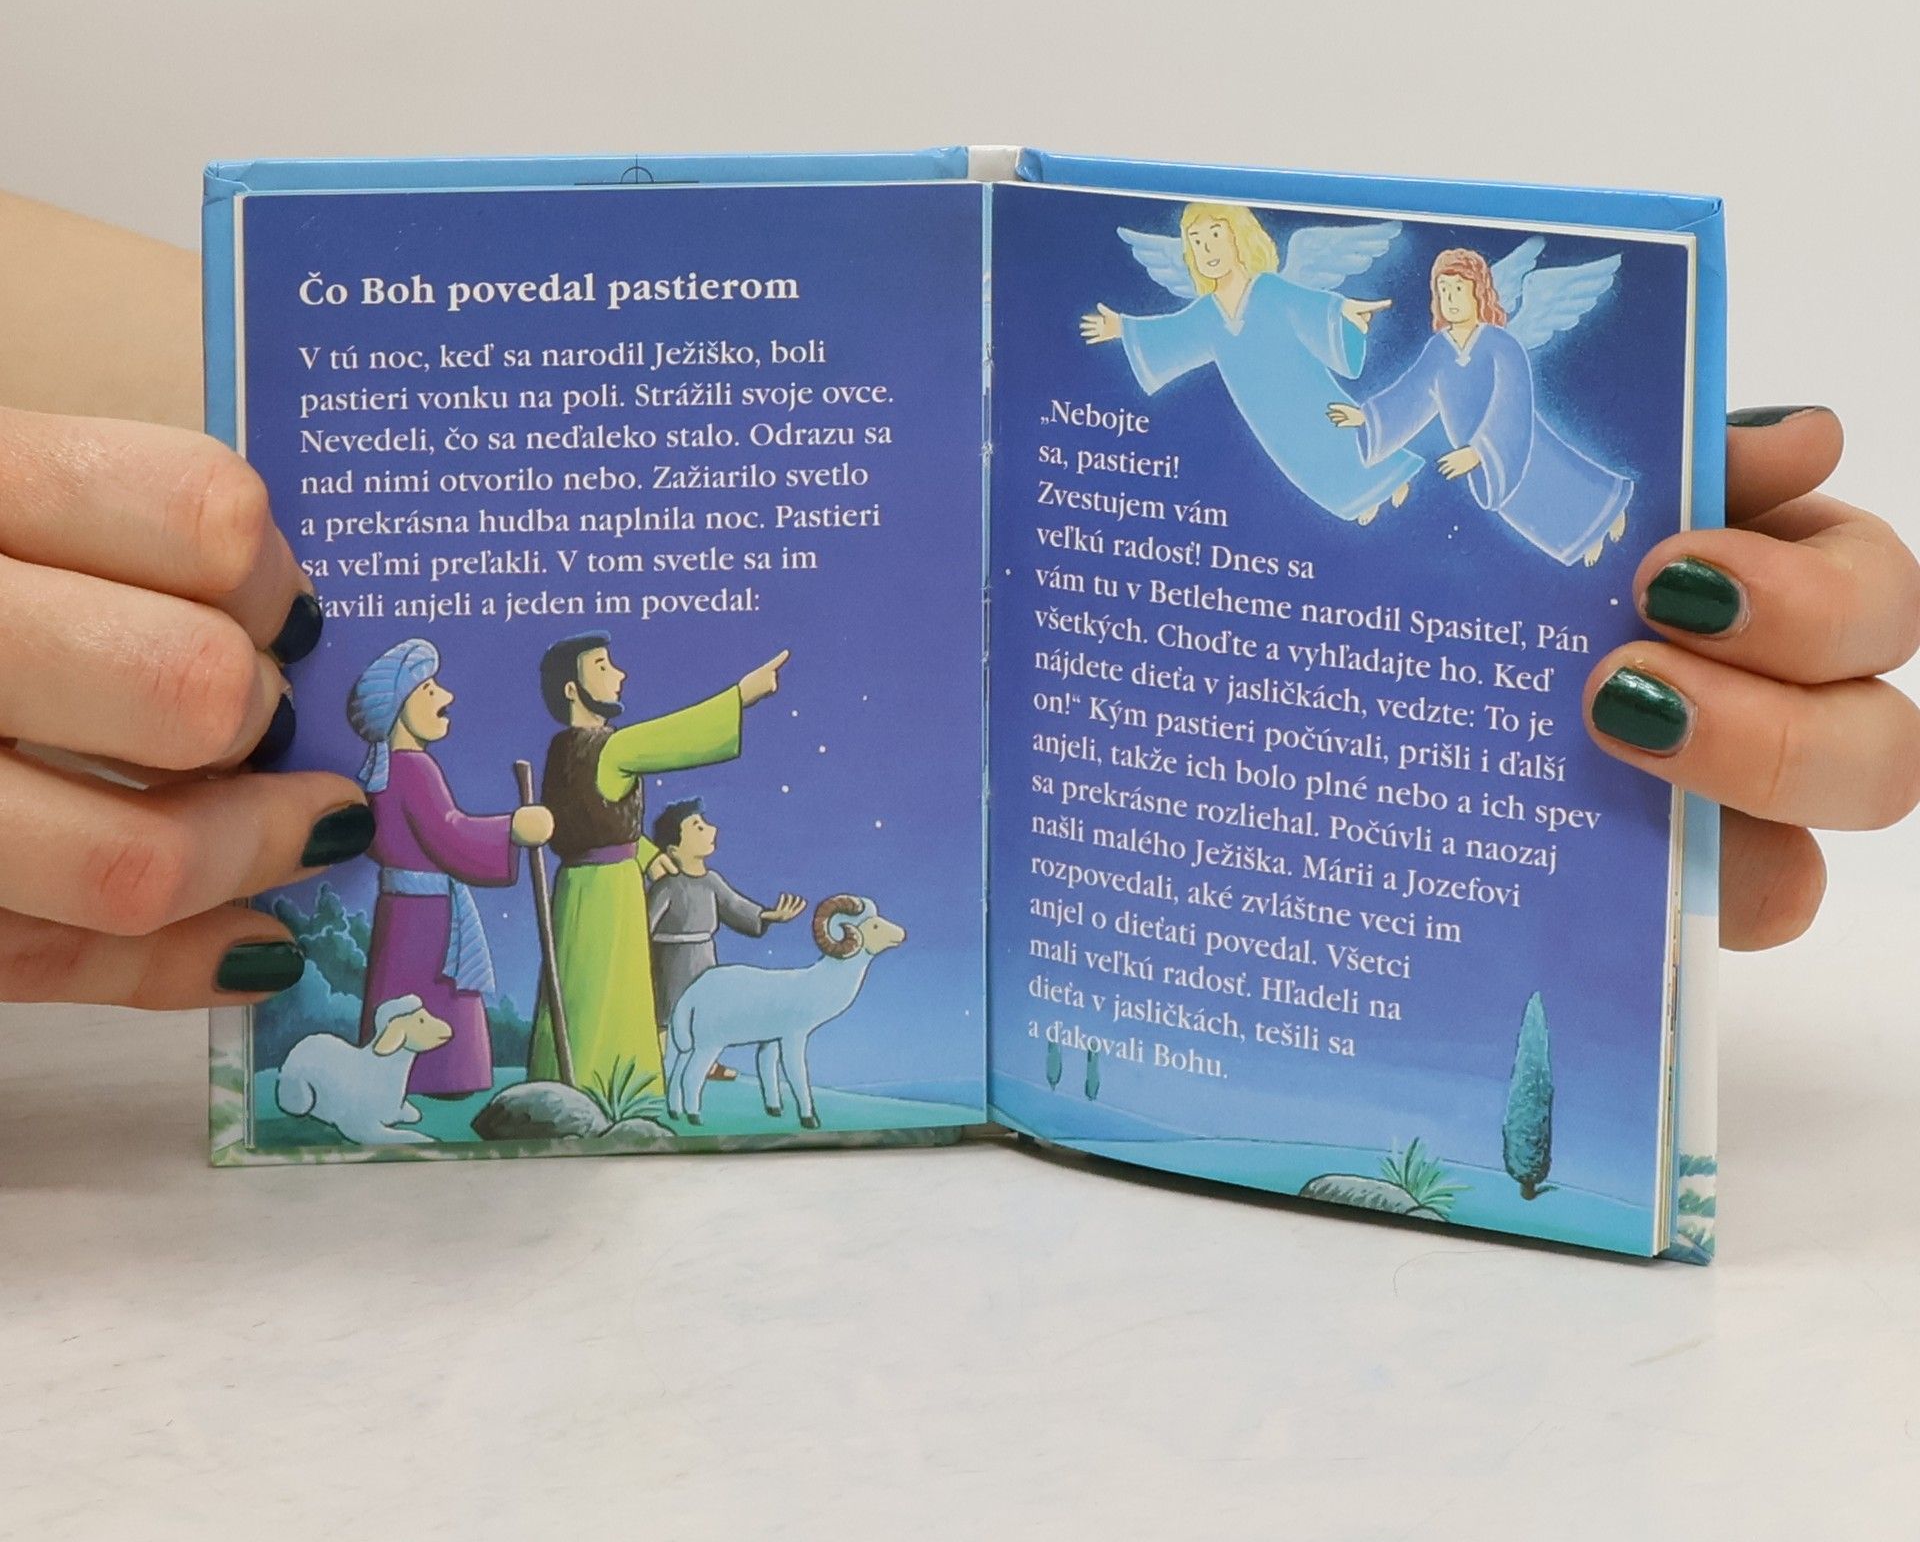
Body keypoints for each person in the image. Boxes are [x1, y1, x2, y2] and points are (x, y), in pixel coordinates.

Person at [0, 187, 1914, 1002]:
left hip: (1359, 452)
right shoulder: (509, 769)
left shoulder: (1300, 307)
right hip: (517, 920)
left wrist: (300, 442)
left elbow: (1343, 347)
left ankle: (1568, 518)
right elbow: (576, 791)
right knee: (544, 1014)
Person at [526, 632, 788, 1096]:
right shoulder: (610, 748)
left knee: (576, 987)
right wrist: (742, 695)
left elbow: (588, 816)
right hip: (608, 891)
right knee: (609, 990)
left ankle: (565, 1085)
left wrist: (646, 853)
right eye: (602, 666)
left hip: (575, 889)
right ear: (571, 688)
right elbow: (674, 736)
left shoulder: (562, 748)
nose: (619, 674)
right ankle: (608, 1090)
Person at [1080, 201, 1422, 525]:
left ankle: (1391, 475)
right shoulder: (1207, 312)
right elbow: (1172, 333)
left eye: (1215, 235)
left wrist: (1343, 311)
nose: (1207, 249)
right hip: (1267, 415)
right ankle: (1360, 497)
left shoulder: (1270, 288)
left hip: (1306, 394)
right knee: (1301, 460)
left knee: (1334, 435)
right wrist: (1122, 327)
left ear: (1239, 238)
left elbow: (1311, 306)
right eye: (1196, 241)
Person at [1328, 245, 1634, 566]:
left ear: (1479, 292)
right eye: (1443, 290)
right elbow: (1413, 391)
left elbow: (1513, 401)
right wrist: (1367, 417)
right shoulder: (1439, 347)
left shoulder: (1502, 343)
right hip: (1475, 450)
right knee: (1525, 506)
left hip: (1517, 440)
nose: (1451, 298)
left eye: (1459, 289)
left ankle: (1609, 511)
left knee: (1558, 478)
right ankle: (1583, 538)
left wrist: (1480, 451)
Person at [345, 638, 553, 1098]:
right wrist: (514, 829)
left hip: (405, 911)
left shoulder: (385, 773)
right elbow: (447, 834)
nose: (446, 696)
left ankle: (409, 1077)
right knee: (437, 990)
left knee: (408, 986)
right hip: (429, 916)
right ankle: (442, 1078)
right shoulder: (414, 769)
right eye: (429, 689)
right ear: (400, 706)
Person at [646, 797, 805, 1066]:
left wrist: (767, 916)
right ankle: (662, 1065)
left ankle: (707, 1064)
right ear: (673, 849)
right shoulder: (667, 886)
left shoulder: (712, 881)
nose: (711, 829)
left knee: (705, 1011)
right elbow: (645, 924)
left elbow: (733, 905)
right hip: (671, 961)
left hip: (705, 957)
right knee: (671, 1014)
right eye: (697, 826)